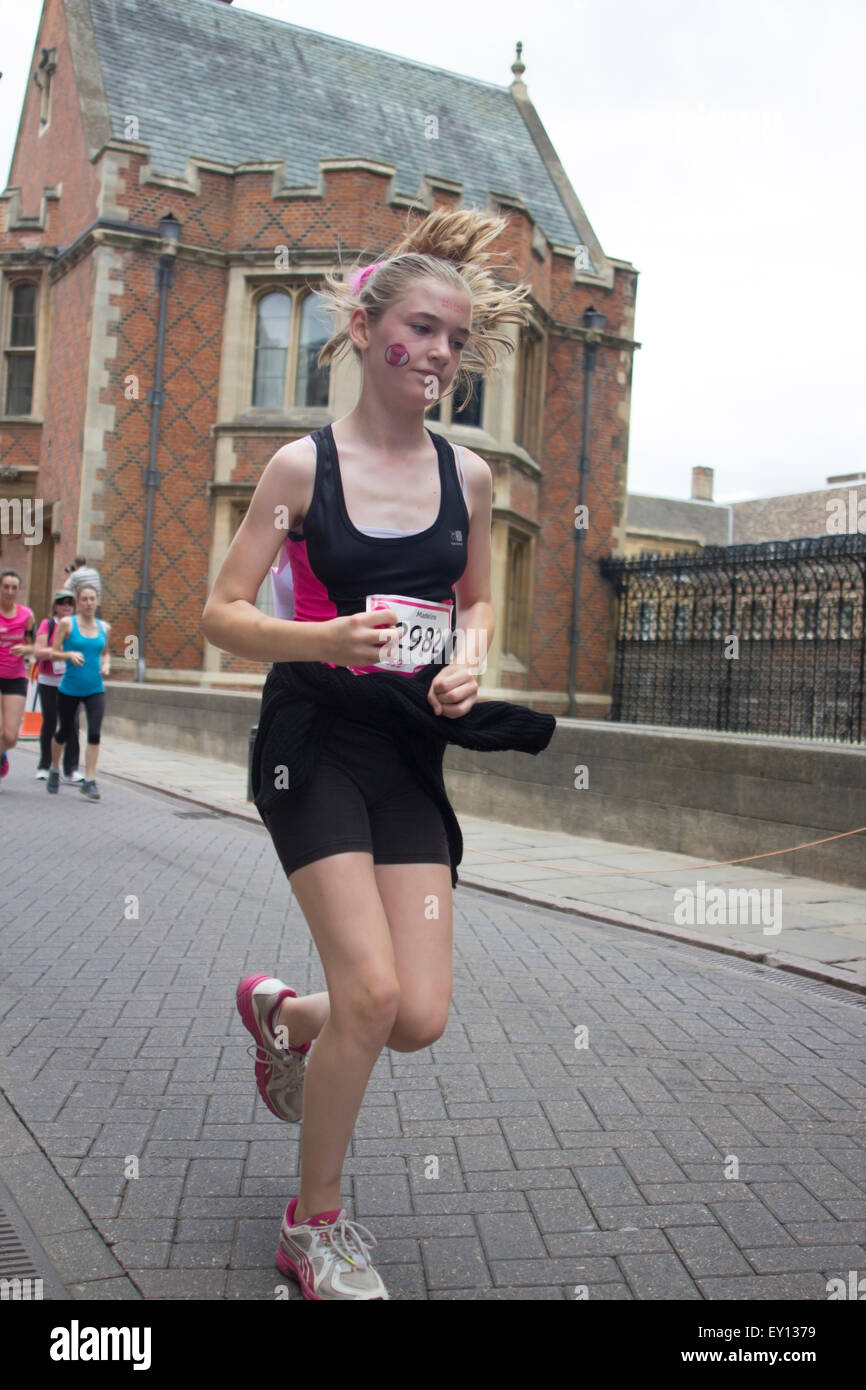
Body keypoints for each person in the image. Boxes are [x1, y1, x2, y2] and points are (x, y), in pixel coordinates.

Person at [202, 207, 555, 1301]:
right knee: (368, 985)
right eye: (421, 328)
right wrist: (320, 636)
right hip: (309, 742)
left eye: (456, 338)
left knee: (413, 1014)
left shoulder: (471, 480)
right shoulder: (298, 470)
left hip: (407, 750)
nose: (441, 354)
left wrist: (470, 660)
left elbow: (479, 601)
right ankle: (314, 1227)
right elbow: (215, 612)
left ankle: (280, 1016)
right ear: (363, 328)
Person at [46, 584, 111, 799]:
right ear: (78, 602)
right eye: (84, 599)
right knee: (64, 731)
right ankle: (54, 770)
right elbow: (54, 653)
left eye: (92, 599)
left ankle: (89, 780)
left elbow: (106, 652)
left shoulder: (104, 627)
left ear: (97, 601)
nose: (89, 603)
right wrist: (69, 655)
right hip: (70, 688)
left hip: (95, 688)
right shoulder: (67, 624)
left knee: (94, 733)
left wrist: (107, 665)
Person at [29, 589, 84, 782]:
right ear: (55, 606)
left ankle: (71, 769)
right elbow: (39, 652)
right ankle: (45, 765)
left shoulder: (78, 626)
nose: (66, 606)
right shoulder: (48, 624)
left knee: (73, 725)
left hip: (72, 681)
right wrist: (59, 651)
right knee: (50, 722)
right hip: (49, 681)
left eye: (70, 602)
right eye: (62, 602)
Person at [0, 569, 35, 785]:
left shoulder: (26, 615)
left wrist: (25, 649)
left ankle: (2, 754)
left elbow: (33, 646)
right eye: (6, 587)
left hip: (15, 677)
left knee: (11, 737)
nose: (10, 591)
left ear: (19, 590)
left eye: (14, 588)